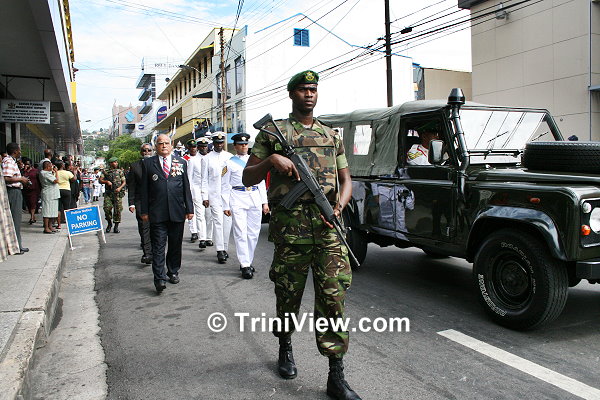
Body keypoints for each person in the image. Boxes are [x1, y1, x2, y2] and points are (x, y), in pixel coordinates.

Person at [242, 70, 360, 399]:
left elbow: (346, 179)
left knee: (333, 298)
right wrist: (271, 160)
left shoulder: (331, 134)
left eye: (313, 89)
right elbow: (247, 177)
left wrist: (338, 207)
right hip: (291, 230)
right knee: (288, 296)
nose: (309, 94)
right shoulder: (273, 133)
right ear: (292, 93)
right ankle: (285, 346)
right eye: (303, 89)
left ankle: (336, 375)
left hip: (327, 229)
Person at [140, 134, 193, 293]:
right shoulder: (148, 163)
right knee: (158, 246)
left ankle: (173, 271)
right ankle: (159, 278)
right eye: (160, 143)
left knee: (175, 245)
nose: (164, 146)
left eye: (166, 143)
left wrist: (189, 209)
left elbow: (186, 186)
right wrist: (144, 211)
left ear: (171, 145)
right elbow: (144, 189)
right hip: (157, 212)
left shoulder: (181, 162)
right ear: (155, 146)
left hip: (177, 211)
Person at [221, 133, 269, 279]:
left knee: (253, 232)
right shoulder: (229, 163)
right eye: (241, 144)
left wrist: (265, 202)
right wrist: (225, 205)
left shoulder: (255, 161)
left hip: (254, 196)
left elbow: (261, 182)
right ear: (235, 146)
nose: (244, 147)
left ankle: (249, 260)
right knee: (240, 232)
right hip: (238, 197)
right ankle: (244, 264)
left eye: (246, 144)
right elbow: (224, 185)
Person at [201, 132, 233, 264]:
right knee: (218, 222)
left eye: (221, 142)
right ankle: (220, 250)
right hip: (214, 195)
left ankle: (225, 247)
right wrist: (205, 196)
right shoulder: (207, 158)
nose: (219, 145)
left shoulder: (230, 157)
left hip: (228, 195)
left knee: (227, 223)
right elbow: (204, 179)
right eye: (217, 142)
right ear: (213, 143)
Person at [128, 143, 153, 264]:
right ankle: (147, 253)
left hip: (156, 201)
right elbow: (131, 186)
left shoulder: (157, 163)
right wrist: (131, 203)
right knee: (144, 226)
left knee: (156, 227)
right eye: (144, 150)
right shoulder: (134, 166)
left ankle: (156, 250)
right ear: (140, 152)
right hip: (140, 201)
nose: (146, 152)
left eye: (149, 150)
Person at [2, 143, 30, 254]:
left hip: (15, 191)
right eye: (19, 150)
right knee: (15, 219)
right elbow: (6, 178)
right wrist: (21, 179)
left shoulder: (11, 161)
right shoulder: (9, 162)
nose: (20, 152)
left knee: (16, 219)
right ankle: (16, 246)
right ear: (15, 151)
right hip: (13, 191)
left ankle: (17, 244)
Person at [184, 139, 209, 248]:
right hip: (196, 190)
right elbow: (189, 177)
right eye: (192, 147)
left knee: (206, 215)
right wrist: (188, 192)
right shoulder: (190, 160)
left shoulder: (207, 158)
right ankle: (198, 235)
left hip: (207, 190)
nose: (193, 149)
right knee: (197, 213)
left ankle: (206, 237)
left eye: (195, 147)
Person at [99, 157, 126, 233]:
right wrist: (106, 182)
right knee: (107, 209)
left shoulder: (120, 171)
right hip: (109, 193)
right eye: (114, 162)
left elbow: (124, 182)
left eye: (116, 162)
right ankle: (109, 223)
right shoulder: (106, 172)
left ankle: (116, 226)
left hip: (117, 193)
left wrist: (120, 188)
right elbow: (100, 180)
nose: (116, 163)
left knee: (118, 210)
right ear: (110, 163)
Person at [197, 137, 214, 247]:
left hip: (208, 190)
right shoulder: (192, 159)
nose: (203, 148)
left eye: (205, 146)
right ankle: (202, 238)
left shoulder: (211, 158)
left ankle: (209, 237)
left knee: (209, 216)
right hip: (197, 190)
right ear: (198, 147)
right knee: (200, 215)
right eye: (201, 146)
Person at [39, 160, 60, 234]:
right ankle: (46, 227)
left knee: (52, 211)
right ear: (48, 167)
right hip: (48, 194)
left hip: (53, 194)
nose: (52, 168)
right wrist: (56, 172)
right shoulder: (44, 173)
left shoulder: (47, 173)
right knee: (47, 212)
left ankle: (50, 226)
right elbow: (56, 180)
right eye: (51, 166)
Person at [55, 160, 74, 230]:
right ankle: (68, 222)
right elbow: (73, 179)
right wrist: (74, 173)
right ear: (62, 166)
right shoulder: (67, 173)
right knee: (67, 207)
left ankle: (59, 224)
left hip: (57, 190)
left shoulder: (55, 173)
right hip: (66, 190)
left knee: (58, 208)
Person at [22, 158, 40, 224]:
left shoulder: (35, 171)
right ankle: (33, 216)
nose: (27, 165)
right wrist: (24, 170)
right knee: (28, 204)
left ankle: (32, 217)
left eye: (28, 164)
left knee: (33, 203)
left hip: (34, 189)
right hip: (26, 189)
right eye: (25, 164)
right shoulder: (23, 171)